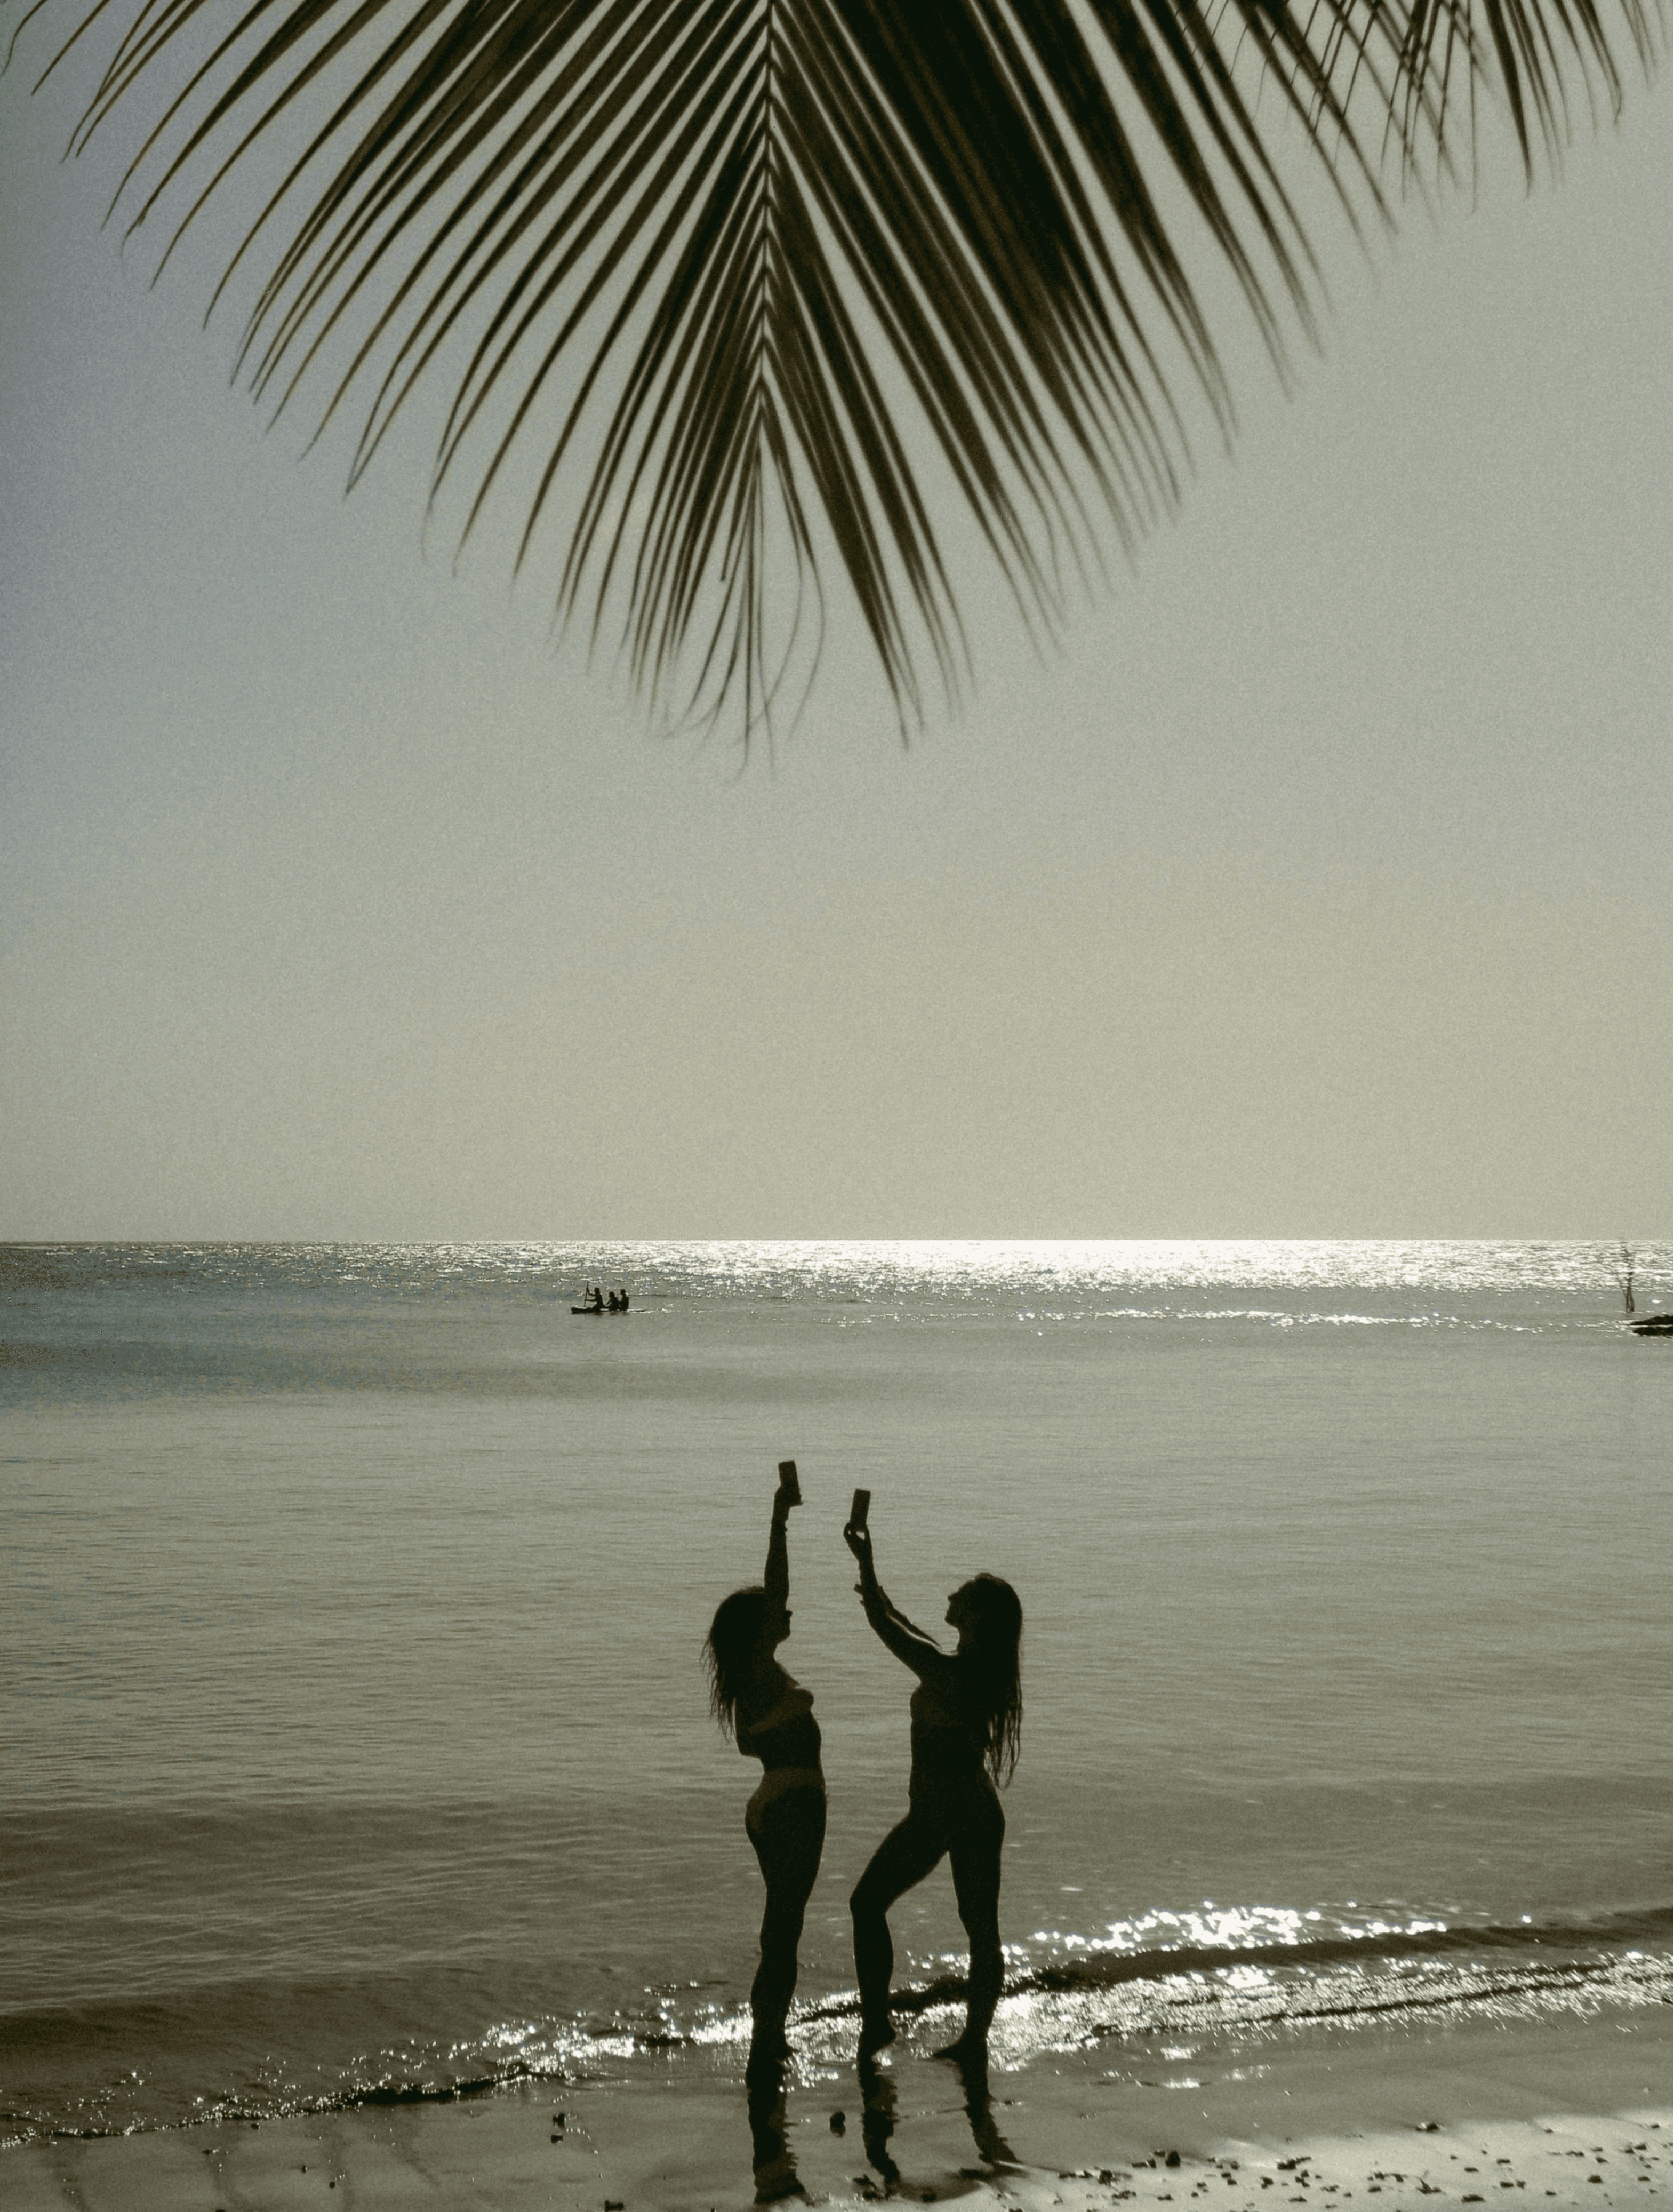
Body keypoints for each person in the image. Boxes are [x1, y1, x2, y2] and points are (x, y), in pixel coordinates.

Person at [842, 1516, 1022, 2061]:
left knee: (866, 1903)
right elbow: (900, 1623)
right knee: (978, 1925)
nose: (950, 1594)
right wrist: (872, 1583)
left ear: (975, 1618)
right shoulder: (964, 1667)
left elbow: (887, 1628)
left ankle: (879, 2025)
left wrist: (866, 1565)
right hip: (972, 1807)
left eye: (960, 1594)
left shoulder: (950, 1674)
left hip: (944, 1811)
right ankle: (972, 2040)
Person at [706, 1471, 827, 2065]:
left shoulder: (757, 1679)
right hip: (791, 1805)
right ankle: (767, 2040)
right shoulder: (758, 1673)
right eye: (774, 1611)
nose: (786, 1610)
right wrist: (778, 1519)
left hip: (775, 1803)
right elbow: (777, 1586)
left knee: (780, 1929)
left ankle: (769, 2033)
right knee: (782, 1935)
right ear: (757, 1631)